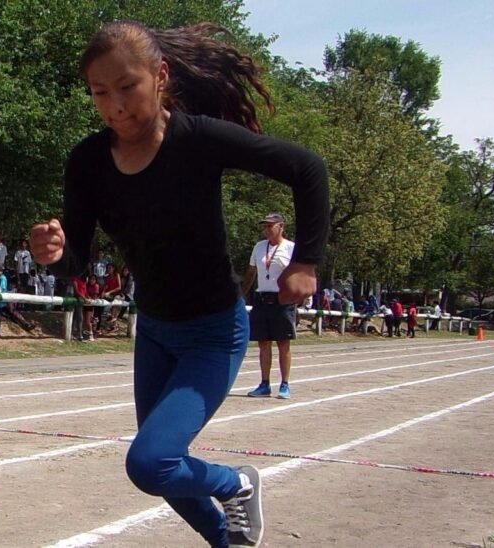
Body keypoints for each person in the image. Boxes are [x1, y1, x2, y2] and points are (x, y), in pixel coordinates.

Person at [29, 22, 328, 548]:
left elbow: (308, 167)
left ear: (160, 76)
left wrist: (306, 261)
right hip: (155, 332)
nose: (115, 106)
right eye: (100, 93)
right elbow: (76, 260)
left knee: (152, 463)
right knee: (164, 469)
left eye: (128, 87)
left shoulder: (198, 139)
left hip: (213, 333)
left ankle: (237, 483)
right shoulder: (87, 162)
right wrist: (53, 255)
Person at [241, 213, 296, 400]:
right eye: (264, 226)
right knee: (263, 343)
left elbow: (298, 274)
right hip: (262, 298)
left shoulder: (290, 248)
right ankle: (264, 384)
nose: (266, 230)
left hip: (282, 300)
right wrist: (242, 294)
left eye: (270, 226)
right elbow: (251, 272)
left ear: (281, 227)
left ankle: (285, 384)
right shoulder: (259, 247)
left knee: (283, 343)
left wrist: (300, 297)